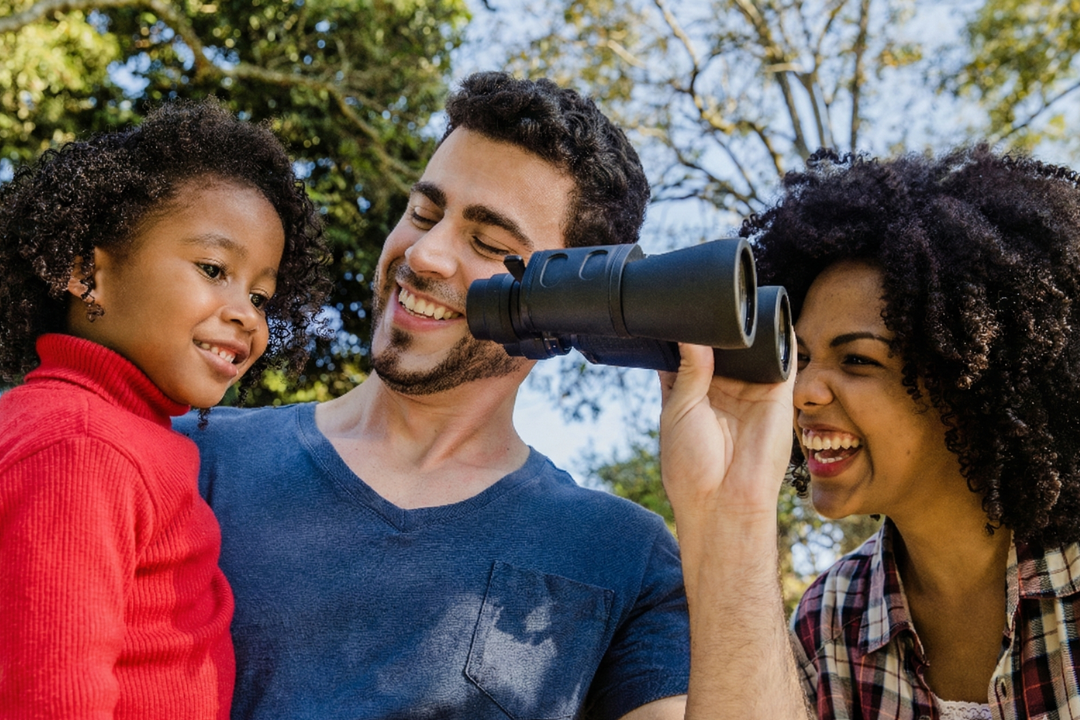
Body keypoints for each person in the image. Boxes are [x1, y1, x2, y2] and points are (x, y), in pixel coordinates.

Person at [176, 72, 693, 719]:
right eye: (423, 213)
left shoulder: (625, 557)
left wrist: (732, 516)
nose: (424, 255)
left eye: (489, 244)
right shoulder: (185, 455)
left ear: (574, 305)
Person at [660, 144, 1080, 719]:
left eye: (857, 360)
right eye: (798, 358)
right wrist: (731, 510)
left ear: (969, 383)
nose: (802, 390)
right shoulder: (828, 620)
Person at [0, 98, 329, 718]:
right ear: (86, 274)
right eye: (213, 268)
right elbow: (49, 699)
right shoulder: (78, 446)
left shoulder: (119, 433)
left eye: (261, 294)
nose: (247, 314)